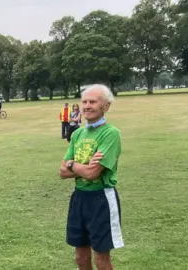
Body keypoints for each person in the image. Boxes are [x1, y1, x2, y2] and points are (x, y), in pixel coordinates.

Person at [59, 84, 124, 270]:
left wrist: (72, 164)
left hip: (101, 198)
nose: (87, 106)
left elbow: (92, 173)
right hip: (79, 197)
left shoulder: (110, 133)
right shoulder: (78, 133)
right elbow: (62, 171)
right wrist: (75, 165)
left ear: (106, 106)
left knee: (101, 260)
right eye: (84, 101)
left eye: (93, 102)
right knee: (80, 257)